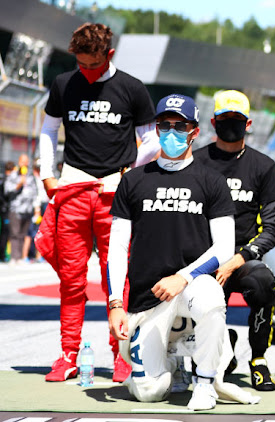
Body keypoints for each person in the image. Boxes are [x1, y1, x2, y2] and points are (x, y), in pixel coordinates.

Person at [107, 94, 254, 410]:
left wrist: (183, 277)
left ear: (195, 131)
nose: (172, 132)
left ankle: (204, 382)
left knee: (212, 297)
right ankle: (173, 362)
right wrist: (115, 304)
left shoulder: (212, 181)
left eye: (180, 126)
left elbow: (225, 247)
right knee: (149, 391)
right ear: (156, 129)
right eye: (165, 125)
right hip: (148, 297)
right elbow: (117, 247)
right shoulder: (132, 181)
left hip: (190, 286)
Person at [34, 23, 159, 382]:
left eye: (93, 66)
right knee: (71, 282)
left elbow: (149, 141)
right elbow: (47, 130)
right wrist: (47, 176)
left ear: (110, 55)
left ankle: (121, 355)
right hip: (71, 190)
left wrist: (129, 174)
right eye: (81, 64)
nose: (86, 73)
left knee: (116, 280)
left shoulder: (132, 88)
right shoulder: (64, 83)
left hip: (113, 195)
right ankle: (68, 355)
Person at [193, 90, 275, 391]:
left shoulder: (263, 166)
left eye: (237, 119)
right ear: (213, 121)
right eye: (225, 118)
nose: (231, 124)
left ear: (249, 123)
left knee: (262, 281)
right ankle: (222, 344)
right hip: (204, 259)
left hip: (243, 258)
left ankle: (258, 358)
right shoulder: (196, 162)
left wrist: (237, 259)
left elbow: (271, 228)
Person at [4, 154, 37, 265]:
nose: (24, 163)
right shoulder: (13, 174)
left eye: (26, 161)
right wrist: (19, 184)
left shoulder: (30, 175)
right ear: (19, 162)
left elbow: (34, 191)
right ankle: (14, 257)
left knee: (23, 234)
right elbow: (7, 189)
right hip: (16, 209)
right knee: (15, 233)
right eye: (22, 161)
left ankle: (22, 257)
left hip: (27, 209)